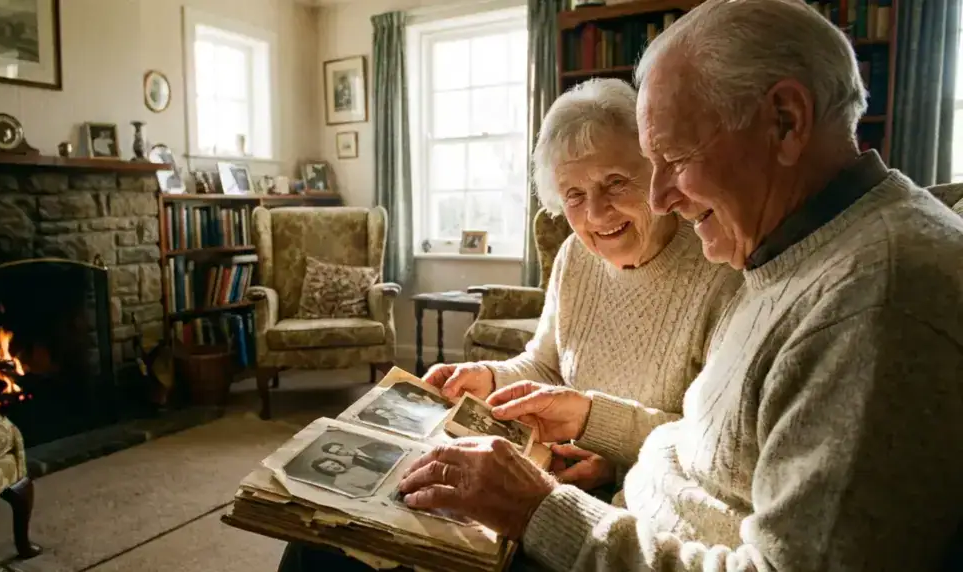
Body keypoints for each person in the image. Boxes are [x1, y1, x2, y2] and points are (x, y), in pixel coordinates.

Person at [398, 1, 963, 570]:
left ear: (786, 120)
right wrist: (578, 430)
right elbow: (711, 445)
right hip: (616, 518)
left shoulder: (876, 301)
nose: (660, 196)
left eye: (672, 157)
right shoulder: (786, 256)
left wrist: (542, 511)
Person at [425, 76, 741, 493]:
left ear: (658, 172)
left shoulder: (719, 265)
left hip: (651, 498)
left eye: (615, 182)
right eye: (574, 194)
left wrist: (615, 461)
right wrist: (488, 378)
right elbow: (545, 364)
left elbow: (719, 443)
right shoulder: (575, 255)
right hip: (562, 475)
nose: (595, 214)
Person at [320, 441, 404, 474]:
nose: (343, 452)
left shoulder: (374, 445)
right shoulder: (357, 463)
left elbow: (401, 449)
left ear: (344, 444)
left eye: (341, 448)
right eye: (338, 453)